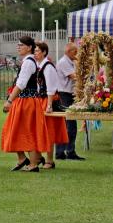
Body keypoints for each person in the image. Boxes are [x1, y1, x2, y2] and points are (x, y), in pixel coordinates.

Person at [1, 36, 48, 172]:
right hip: (25, 100)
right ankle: (23, 159)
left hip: (27, 101)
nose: (18, 47)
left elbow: (21, 84)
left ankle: (33, 164)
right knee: (14, 129)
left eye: (21, 45)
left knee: (26, 131)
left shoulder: (28, 62)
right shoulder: (29, 61)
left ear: (29, 47)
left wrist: (9, 100)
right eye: (18, 45)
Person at [33, 41, 68, 169]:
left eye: (37, 51)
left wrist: (49, 105)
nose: (35, 53)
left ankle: (49, 160)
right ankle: (38, 157)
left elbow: (51, 87)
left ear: (44, 52)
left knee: (49, 130)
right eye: (34, 51)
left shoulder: (48, 67)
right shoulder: (38, 66)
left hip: (48, 100)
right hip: (40, 100)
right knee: (38, 130)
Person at [55, 43, 84, 160]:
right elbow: (74, 76)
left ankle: (66, 151)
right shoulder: (63, 62)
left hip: (69, 95)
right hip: (64, 95)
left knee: (69, 124)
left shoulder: (70, 62)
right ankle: (65, 152)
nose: (77, 54)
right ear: (69, 51)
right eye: (75, 52)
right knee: (68, 125)